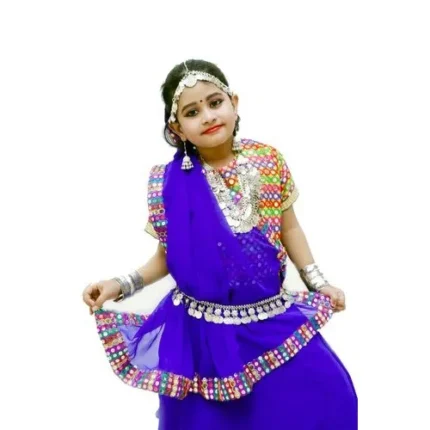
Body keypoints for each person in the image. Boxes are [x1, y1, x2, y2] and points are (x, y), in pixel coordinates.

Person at [82, 59, 358, 429]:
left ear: (234, 102)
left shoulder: (268, 160)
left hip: (270, 319)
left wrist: (318, 282)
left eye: (215, 103)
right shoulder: (168, 184)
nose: (208, 116)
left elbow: (289, 228)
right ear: (176, 128)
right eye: (192, 112)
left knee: (329, 394)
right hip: (202, 335)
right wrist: (120, 284)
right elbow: (167, 257)